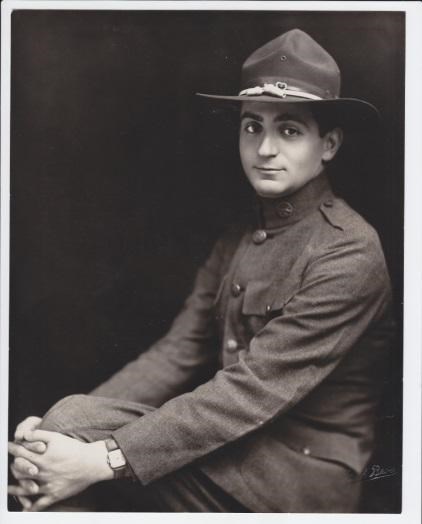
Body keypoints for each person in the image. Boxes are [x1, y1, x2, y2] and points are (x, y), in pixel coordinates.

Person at [8, 28, 395, 513]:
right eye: (252, 126)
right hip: (234, 450)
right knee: (60, 440)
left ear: (330, 145)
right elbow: (176, 353)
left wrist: (97, 455)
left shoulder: (349, 252)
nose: (265, 149)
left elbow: (249, 391)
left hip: (299, 476)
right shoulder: (240, 234)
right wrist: (57, 437)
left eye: (289, 130)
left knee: (72, 454)